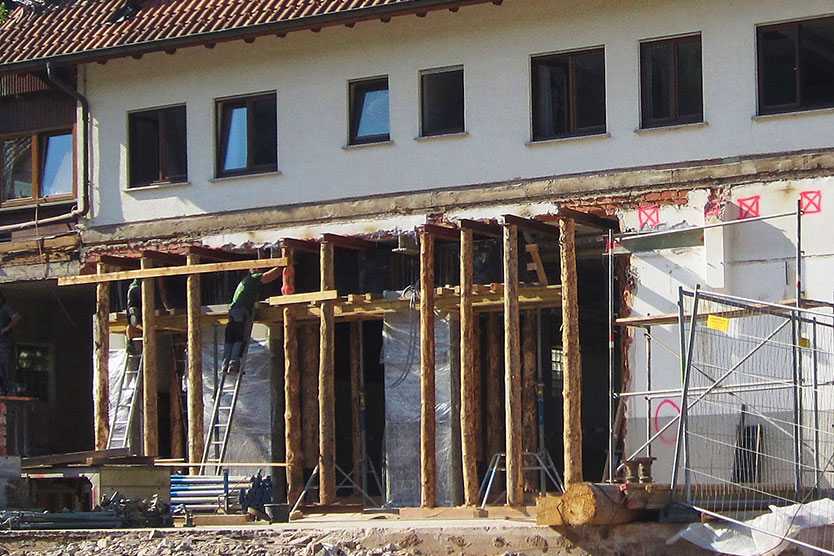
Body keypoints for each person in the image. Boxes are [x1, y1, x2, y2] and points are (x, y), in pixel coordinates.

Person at [222, 267, 282, 374]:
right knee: (240, 338)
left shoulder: (244, 281)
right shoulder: (253, 279)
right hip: (242, 312)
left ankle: (225, 364)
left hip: (233, 311)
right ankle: (233, 365)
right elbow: (269, 276)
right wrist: (283, 266)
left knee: (230, 339)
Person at [125, 277, 170, 353]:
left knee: (134, 317)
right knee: (137, 316)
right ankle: (131, 343)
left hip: (134, 289)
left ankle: (130, 342)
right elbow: (162, 289)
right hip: (138, 288)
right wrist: (166, 306)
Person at [0, 290, 22, 396]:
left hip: (5, 344)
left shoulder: (6, 308)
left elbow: (17, 317)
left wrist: (6, 329)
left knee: (5, 366)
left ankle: (8, 388)